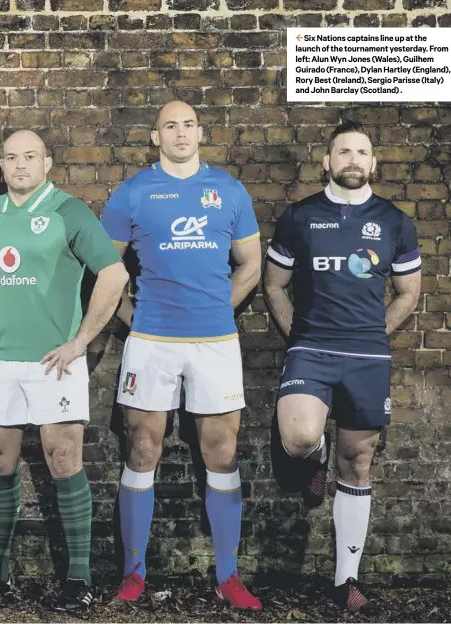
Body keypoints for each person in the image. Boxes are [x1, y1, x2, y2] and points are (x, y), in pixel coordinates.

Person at [0, 130, 128, 613]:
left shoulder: (68, 211)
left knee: (64, 458)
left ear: (46, 162)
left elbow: (114, 274)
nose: (20, 165)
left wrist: (81, 341)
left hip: (56, 362)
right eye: (11, 157)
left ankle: (79, 578)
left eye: (30, 156)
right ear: (2, 165)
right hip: (0, 361)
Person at [101, 100, 263, 610]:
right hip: (151, 341)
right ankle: (133, 574)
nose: (180, 132)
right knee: (142, 447)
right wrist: (132, 318)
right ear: (156, 137)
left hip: (214, 341)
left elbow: (252, 264)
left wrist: (217, 307)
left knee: (222, 451)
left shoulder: (229, 191)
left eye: (188, 124)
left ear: (200, 131)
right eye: (169, 125)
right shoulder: (131, 192)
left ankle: (228, 577)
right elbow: (105, 271)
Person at [263, 121, 421, 613]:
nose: (353, 159)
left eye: (362, 152)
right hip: (311, 349)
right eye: (343, 151)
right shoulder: (299, 217)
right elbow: (273, 286)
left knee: (358, 463)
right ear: (326, 162)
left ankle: (344, 580)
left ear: (374, 164)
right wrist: (299, 339)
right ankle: (314, 456)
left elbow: (408, 293)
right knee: (300, 437)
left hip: (367, 356)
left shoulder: (395, 221)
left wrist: (376, 336)